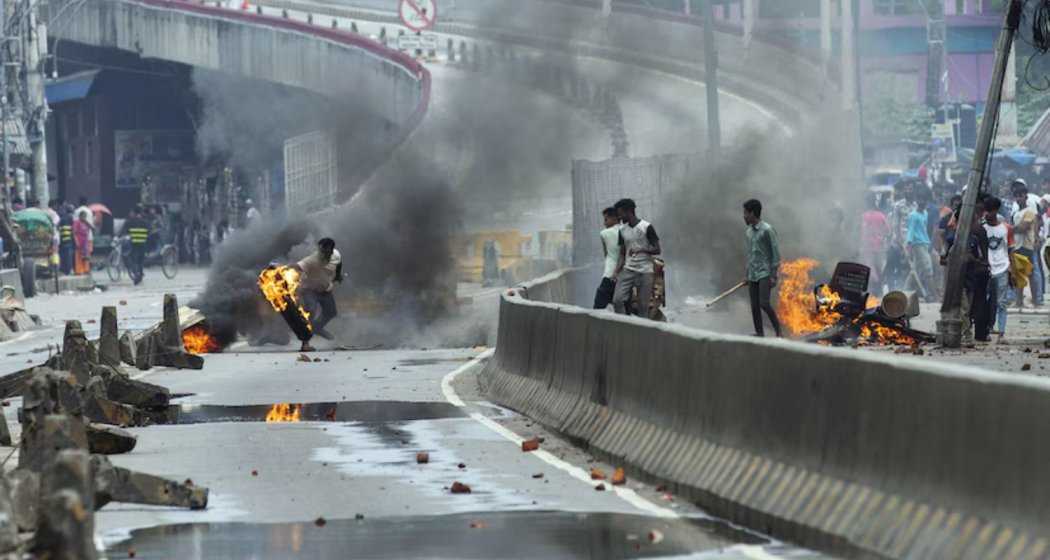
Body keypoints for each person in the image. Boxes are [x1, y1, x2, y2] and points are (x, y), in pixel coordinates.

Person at [612, 198, 660, 318]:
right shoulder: (622, 230)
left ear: (629, 211)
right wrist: (616, 271)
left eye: (620, 213)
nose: (619, 217)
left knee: (643, 307)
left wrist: (642, 250)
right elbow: (622, 254)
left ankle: (642, 333)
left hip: (645, 271)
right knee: (617, 301)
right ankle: (624, 325)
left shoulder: (647, 227)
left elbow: (658, 249)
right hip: (628, 270)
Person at [293, 237, 343, 351]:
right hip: (310, 290)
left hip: (325, 290)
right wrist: (282, 269)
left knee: (331, 312)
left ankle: (316, 328)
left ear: (331, 250)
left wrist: (338, 275)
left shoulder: (336, 255)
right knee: (310, 310)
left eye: (325, 251)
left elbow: (339, 263)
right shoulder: (312, 259)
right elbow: (297, 266)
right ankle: (305, 344)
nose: (322, 253)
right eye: (320, 250)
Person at [743, 198, 782, 337]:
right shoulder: (748, 232)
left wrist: (773, 275)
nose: (744, 216)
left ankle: (779, 332)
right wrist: (747, 274)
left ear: (753, 213)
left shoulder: (767, 230)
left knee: (764, 303)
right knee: (754, 306)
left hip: (765, 273)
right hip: (753, 273)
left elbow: (775, 253)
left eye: (746, 213)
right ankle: (759, 333)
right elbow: (750, 254)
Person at [984, 197, 1012, 340]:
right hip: (988, 269)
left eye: (989, 211)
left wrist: (1012, 269)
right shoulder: (982, 228)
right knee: (988, 301)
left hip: (1003, 268)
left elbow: (1010, 249)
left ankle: (1001, 333)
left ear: (995, 211)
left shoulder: (1006, 228)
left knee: (1001, 302)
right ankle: (988, 330)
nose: (986, 214)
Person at [1012, 181, 1043, 307]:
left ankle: (1036, 300)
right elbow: (1017, 228)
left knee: (1029, 274)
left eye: (1021, 195)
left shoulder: (1030, 211)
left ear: (1026, 196)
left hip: (1026, 246)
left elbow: (1022, 228)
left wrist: (1009, 228)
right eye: (1017, 196)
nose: (1019, 198)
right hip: (1017, 245)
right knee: (1019, 274)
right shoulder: (1016, 213)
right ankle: (1019, 301)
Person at [905, 197, 934, 300]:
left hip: (925, 243)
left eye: (924, 201)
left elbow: (924, 229)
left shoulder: (925, 213)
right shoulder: (913, 215)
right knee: (927, 267)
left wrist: (928, 242)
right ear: (917, 202)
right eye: (921, 201)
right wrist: (908, 244)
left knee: (916, 269)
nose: (923, 203)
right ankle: (931, 294)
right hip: (917, 244)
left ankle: (906, 290)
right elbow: (910, 230)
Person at [859, 194, 889, 293]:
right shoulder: (881, 215)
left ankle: (872, 290)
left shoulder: (864, 216)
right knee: (879, 268)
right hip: (879, 246)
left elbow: (863, 231)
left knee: (870, 267)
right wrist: (881, 238)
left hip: (868, 246)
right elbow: (887, 230)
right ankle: (879, 289)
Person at [593, 207, 621, 310]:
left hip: (610, 274)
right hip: (627, 275)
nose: (604, 223)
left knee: (598, 307)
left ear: (614, 218)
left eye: (606, 219)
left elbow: (606, 254)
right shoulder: (627, 230)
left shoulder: (604, 233)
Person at [121, 207, 150, 285]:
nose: (130, 214)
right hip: (143, 243)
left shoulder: (129, 222)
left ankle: (136, 274)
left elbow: (124, 231)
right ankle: (140, 274)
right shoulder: (145, 222)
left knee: (133, 259)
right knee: (140, 260)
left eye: (131, 212)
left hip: (133, 243)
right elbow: (149, 232)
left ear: (134, 213)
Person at [72, 209, 93, 275]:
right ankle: (78, 271)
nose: (84, 218)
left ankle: (86, 270)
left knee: (86, 257)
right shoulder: (76, 222)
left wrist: (87, 222)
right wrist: (76, 241)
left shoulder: (85, 223)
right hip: (79, 241)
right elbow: (74, 233)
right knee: (78, 257)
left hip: (85, 242)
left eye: (85, 216)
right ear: (80, 216)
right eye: (83, 216)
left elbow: (93, 228)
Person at [57, 205, 75, 275]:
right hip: (69, 239)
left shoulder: (62, 218)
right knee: (69, 256)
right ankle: (68, 270)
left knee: (63, 255)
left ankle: (63, 269)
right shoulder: (71, 217)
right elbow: (74, 229)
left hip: (62, 239)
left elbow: (58, 226)